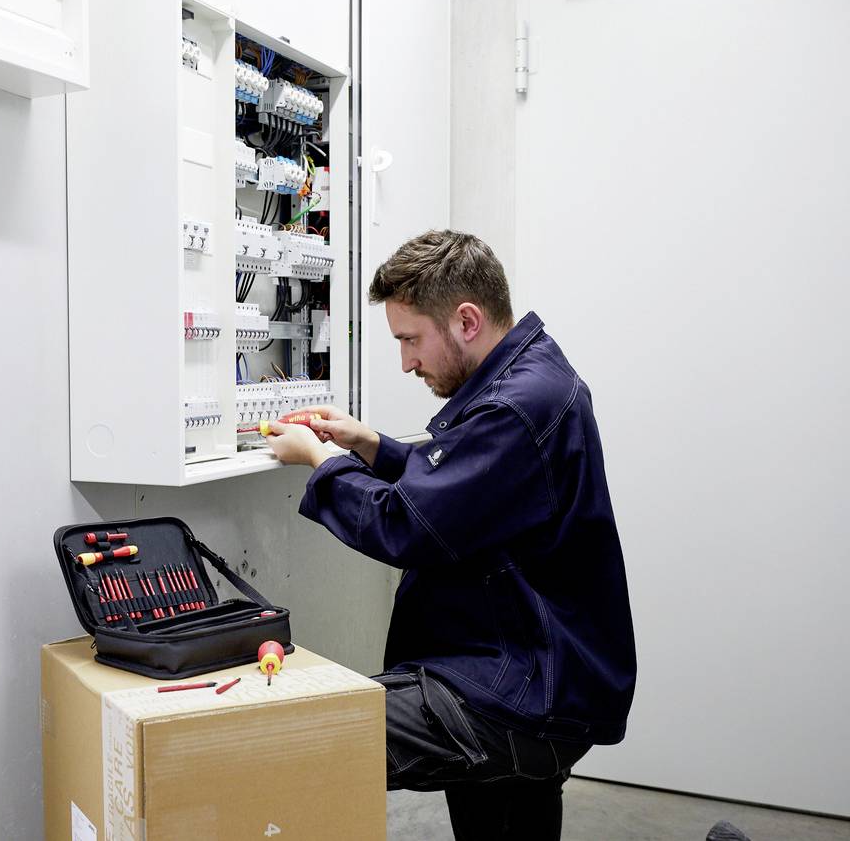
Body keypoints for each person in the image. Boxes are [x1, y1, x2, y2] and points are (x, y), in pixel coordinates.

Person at [265, 230, 637, 840]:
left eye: (411, 340)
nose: (407, 362)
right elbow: (469, 484)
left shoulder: (516, 407)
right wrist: (370, 446)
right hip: (539, 674)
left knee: (310, 736)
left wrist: (321, 463)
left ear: (466, 319)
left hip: (519, 690)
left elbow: (408, 524)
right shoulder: (528, 376)